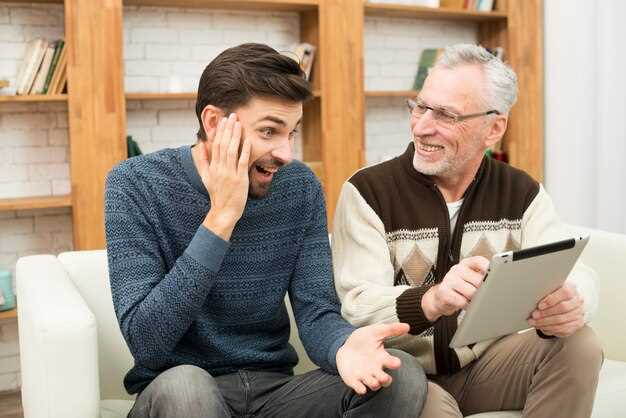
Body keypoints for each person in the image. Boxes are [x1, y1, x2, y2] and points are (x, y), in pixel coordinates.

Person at [104, 43, 427, 418]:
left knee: (400, 374)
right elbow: (147, 343)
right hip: (178, 395)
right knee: (187, 388)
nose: (286, 153)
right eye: (269, 131)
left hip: (274, 391)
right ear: (213, 123)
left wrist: (344, 347)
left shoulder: (300, 187)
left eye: (291, 133)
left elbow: (316, 310)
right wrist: (221, 217)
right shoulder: (134, 184)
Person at [331, 44, 602, 418]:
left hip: (490, 367)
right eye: (421, 106)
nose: (422, 126)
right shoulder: (368, 192)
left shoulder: (521, 192)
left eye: (445, 115)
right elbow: (357, 305)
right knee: (419, 397)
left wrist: (575, 300)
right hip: (406, 373)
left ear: (494, 127)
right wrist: (432, 299)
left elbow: (570, 267)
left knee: (579, 344)